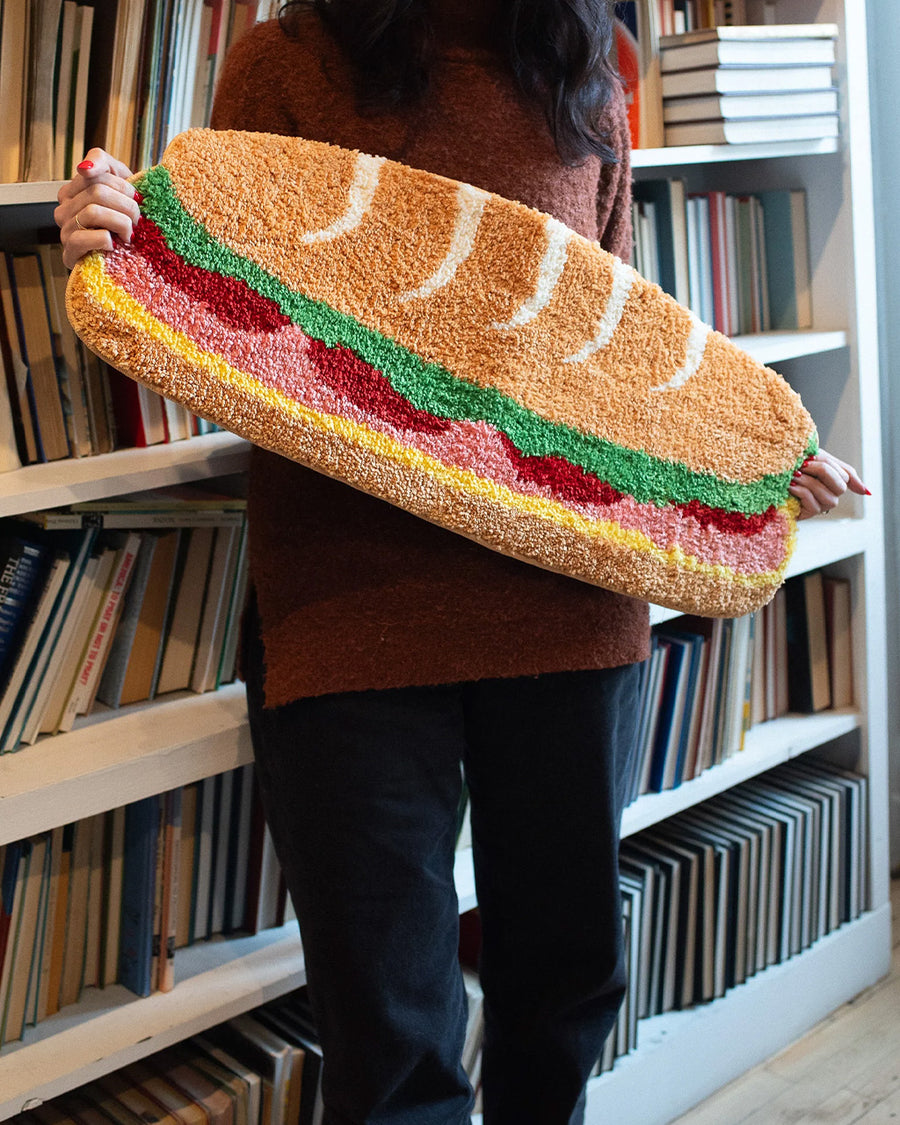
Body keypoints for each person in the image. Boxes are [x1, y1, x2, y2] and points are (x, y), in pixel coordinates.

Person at [55, 2, 869, 1122]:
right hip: (351, 611)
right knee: (389, 1026)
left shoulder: (584, 71)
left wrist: (748, 457)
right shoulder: (288, 62)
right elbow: (238, 326)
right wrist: (125, 242)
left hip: (573, 610)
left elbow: (608, 344)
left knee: (564, 990)